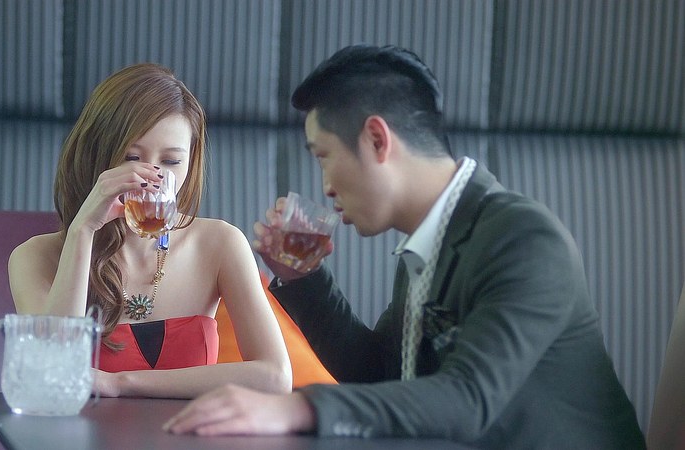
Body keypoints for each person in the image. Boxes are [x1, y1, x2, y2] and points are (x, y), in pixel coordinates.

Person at [162, 45, 645, 448]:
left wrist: (296, 408)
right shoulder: (429, 244)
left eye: (324, 157)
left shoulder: (523, 239)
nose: (325, 186)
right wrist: (303, 279)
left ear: (377, 139)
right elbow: (379, 376)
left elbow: (468, 400)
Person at [9, 63, 292, 399]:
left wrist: (119, 383)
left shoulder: (219, 244)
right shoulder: (34, 257)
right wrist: (83, 231)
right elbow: (51, 376)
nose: (151, 176)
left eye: (171, 162)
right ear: (96, 156)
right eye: (131, 157)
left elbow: (275, 377)